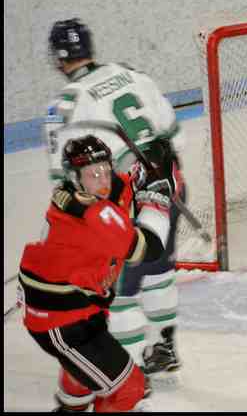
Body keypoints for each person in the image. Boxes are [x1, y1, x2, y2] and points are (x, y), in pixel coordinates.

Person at [44, 18, 185, 382]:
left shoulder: (65, 102)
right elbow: (171, 130)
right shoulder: (129, 73)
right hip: (167, 180)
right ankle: (165, 347)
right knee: (157, 268)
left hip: (120, 195)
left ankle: (133, 369)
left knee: (115, 287)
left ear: (59, 58)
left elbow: (64, 178)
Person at [18, 135, 172, 411]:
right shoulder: (92, 214)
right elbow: (150, 248)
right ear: (76, 179)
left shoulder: (93, 193)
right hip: (60, 321)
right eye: (93, 174)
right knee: (130, 388)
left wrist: (147, 167)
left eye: (105, 170)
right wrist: (157, 196)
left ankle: (69, 408)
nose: (103, 180)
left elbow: (123, 187)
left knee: (84, 374)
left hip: (80, 308)